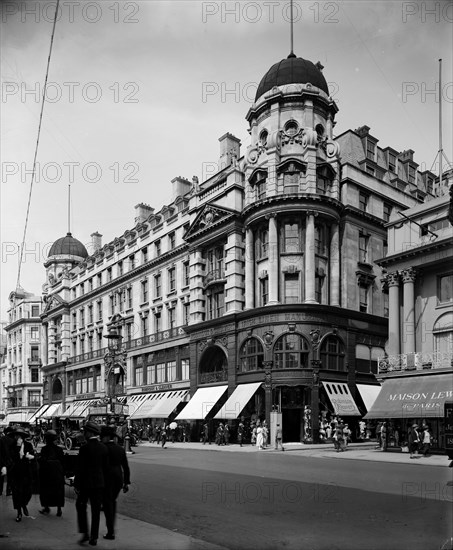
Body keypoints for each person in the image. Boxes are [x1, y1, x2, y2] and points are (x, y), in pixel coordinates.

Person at [74, 421, 110, 546]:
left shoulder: (84, 448)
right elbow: (106, 469)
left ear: (90, 433)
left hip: (85, 484)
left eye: (85, 432)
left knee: (80, 506)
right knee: (96, 511)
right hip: (99, 484)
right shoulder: (104, 448)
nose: (84, 434)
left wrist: (77, 484)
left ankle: (85, 533)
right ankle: (94, 537)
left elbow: (80, 468)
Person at [101, 426, 131, 541]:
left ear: (106, 437)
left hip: (106, 478)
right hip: (118, 478)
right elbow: (126, 467)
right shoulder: (120, 449)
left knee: (108, 504)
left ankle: (110, 532)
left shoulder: (103, 448)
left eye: (102, 437)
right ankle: (110, 525)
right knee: (111, 501)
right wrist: (126, 482)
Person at [9, 427, 35, 522]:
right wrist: (17, 448)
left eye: (20, 436)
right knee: (17, 492)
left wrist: (30, 457)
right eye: (16, 436)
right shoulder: (12, 446)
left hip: (26, 471)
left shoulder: (28, 445)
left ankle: (24, 504)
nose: (18, 438)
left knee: (27, 491)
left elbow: (32, 455)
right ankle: (19, 512)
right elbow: (11, 457)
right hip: (16, 472)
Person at [38, 429, 65, 517]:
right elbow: (62, 461)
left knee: (45, 490)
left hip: (47, 473)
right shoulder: (59, 449)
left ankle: (46, 507)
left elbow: (42, 461)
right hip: (57, 473)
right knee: (58, 490)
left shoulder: (44, 449)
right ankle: (59, 509)